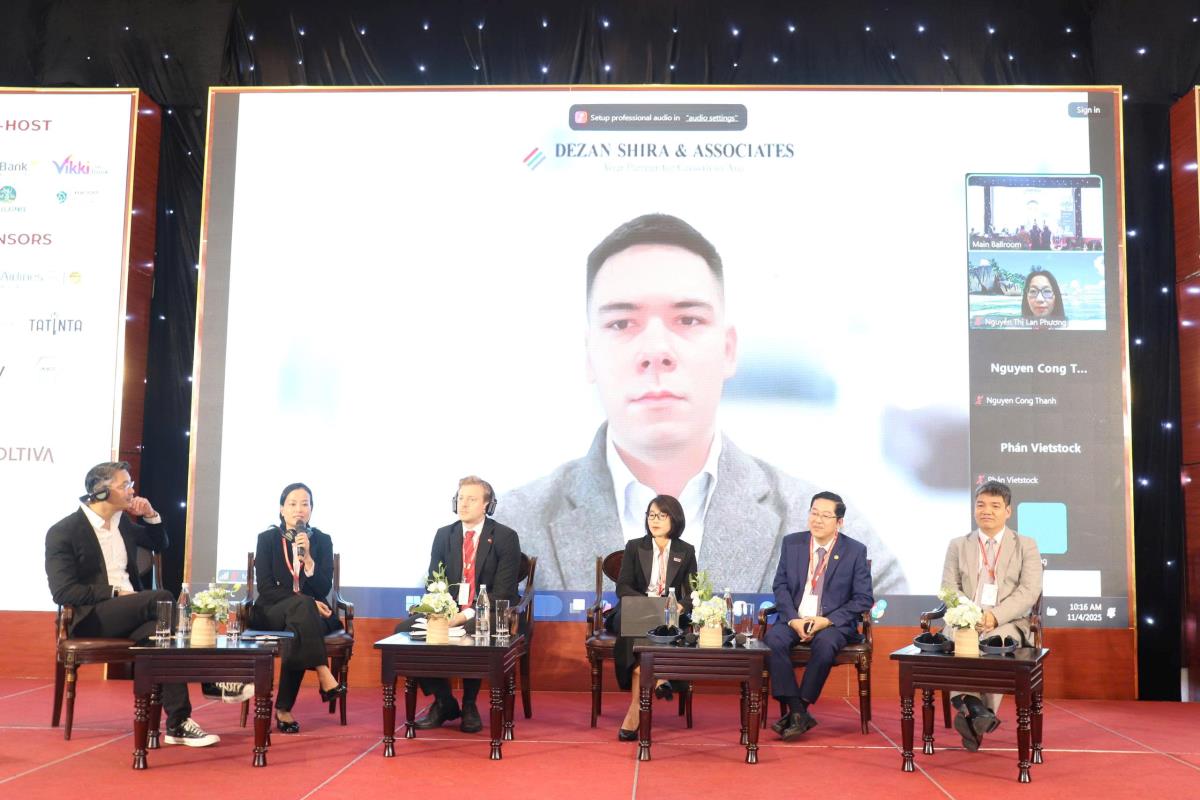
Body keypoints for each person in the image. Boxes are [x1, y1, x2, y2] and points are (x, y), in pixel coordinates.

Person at [496, 213, 906, 596]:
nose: (656, 351)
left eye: (688, 320)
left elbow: (897, 641)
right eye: (621, 323)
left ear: (728, 349)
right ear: (589, 355)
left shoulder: (830, 533)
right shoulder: (508, 529)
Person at [44, 461, 219, 747]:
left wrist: (150, 515)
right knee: (162, 597)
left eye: (131, 484)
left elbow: (159, 543)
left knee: (161, 636)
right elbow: (63, 591)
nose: (131, 491)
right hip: (91, 618)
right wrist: (115, 593)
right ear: (101, 492)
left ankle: (178, 723)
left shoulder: (122, 523)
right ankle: (210, 678)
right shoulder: (64, 531)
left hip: (132, 615)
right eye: (124, 485)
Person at [407, 476, 521, 734]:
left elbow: (504, 592)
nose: (464, 504)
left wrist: (464, 615)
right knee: (406, 632)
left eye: (471, 499)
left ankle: (469, 704)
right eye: (460, 498)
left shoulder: (505, 537)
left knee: (473, 631)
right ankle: (444, 701)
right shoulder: (444, 535)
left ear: (487, 505)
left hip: (487, 612)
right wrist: (441, 611)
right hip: (449, 611)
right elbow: (433, 581)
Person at [940, 480, 1043, 751]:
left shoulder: (1026, 545)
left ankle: (971, 710)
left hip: (1008, 621)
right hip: (965, 620)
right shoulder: (958, 545)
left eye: (995, 506)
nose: (987, 511)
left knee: (994, 643)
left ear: (1008, 511)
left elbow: (1029, 591)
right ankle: (978, 712)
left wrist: (994, 617)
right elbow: (949, 589)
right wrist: (969, 615)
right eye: (981, 505)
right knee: (962, 639)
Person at [764, 491, 873, 741]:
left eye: (825, 515)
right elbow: (780, 586)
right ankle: (798, 711)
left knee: (825, 644)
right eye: (814, 513)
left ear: (839, 522)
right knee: (774, 641)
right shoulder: (792, 543)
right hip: (795, 618)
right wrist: (793, 619)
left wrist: (827, 620)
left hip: (832, 623)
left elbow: (863, 598)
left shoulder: (854, 550)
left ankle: (798, 710)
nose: (817, 520)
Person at [250, 483, 346, 733]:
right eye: (292, 504)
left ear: (312, 510)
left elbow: (323, 587)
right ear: (282, 509)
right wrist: (307, 602)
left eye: (305, 504)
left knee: (298, 627)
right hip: (273, 611)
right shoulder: (267, 539)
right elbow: (266, 588)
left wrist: (310, 560)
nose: (299, 509)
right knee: (303, 608)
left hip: (309, 616)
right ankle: (323, 672)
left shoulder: (322, 541)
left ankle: (283, 710)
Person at [605, 495, 697, 741]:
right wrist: (649, 604)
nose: (654, 520)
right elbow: (623, 586)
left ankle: (636, 709)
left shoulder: (685, 551)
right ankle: (658, 678)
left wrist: (681, 605)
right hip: (635, 609)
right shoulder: (635, 546)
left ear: (674, 519)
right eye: (651, 515)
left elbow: (693, 591)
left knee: (659, 626)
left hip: (669, 614)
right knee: (636, 622)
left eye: (661, 516)